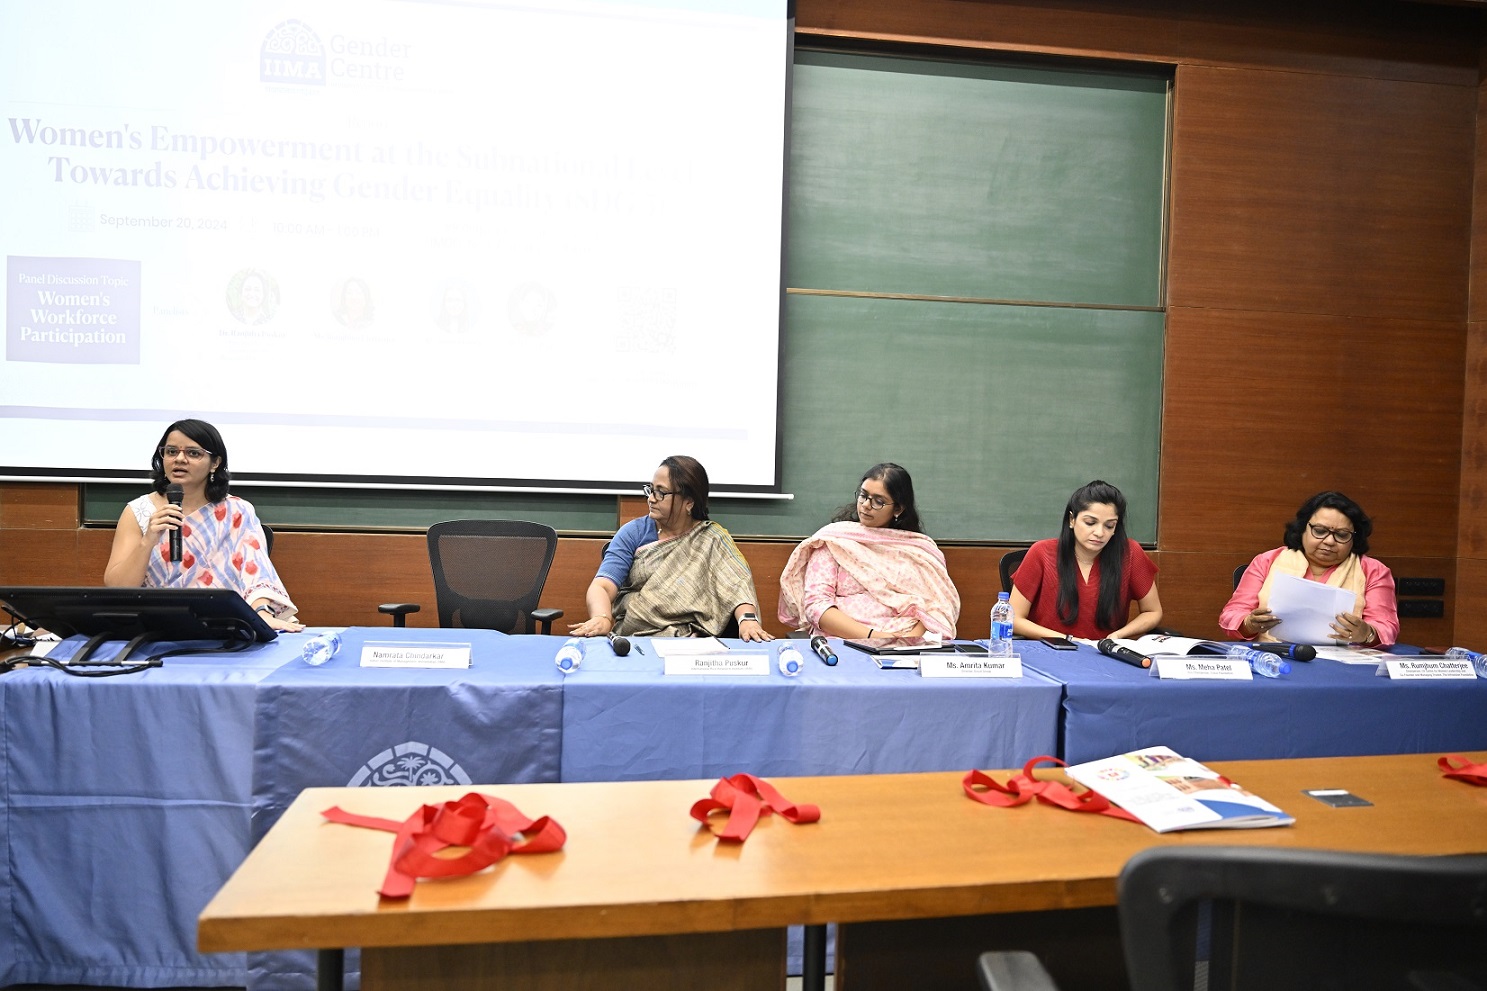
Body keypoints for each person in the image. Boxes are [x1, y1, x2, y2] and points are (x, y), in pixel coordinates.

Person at [103, 419, 302, 632]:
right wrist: (147, 542)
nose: (180, 459)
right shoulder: (139, 511)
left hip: (225, 625)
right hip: (156, 626)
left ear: (215, 463)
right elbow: (117, 589)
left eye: (193, 453)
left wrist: (261, 613)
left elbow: (255, 572)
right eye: (171, 451)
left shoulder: (236, 512)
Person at [569, 456, 772, 641]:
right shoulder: (633, 533)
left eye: (661, 492)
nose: (651, 498)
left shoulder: (712, 539)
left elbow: (737, 585)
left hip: (692, 643)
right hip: (635, 638)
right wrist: (602, 617)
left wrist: (747, 620)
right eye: (651, 490)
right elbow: (602, 586)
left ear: (689, 502)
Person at [777, 463, 960, 639]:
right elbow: (816, 605)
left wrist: (906, 641)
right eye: (863, 495)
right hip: (843, 642)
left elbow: (936, 606)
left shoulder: (918, 550)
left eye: (878, 501)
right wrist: (875, 638)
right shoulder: (834, 540)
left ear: (898, 508)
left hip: (905, 644)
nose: (865, 505)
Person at [1220, 491, 1398, 647]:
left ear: (1354, 539)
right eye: (1320, 531)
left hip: (1343, 665)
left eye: (1342, 535)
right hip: (1273, 657)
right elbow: (1231, 615)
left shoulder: (1373, 571)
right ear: (1303, 528)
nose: (1329, 541)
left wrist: (1367, 634)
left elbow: (1386, 627)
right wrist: (1249, 624)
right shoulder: (1267, 561)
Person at [1011, 480, 1162, 641]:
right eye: (1090, 523)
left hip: (1103, 652)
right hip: (1051, 649)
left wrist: (1118, 635)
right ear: (1072, 519)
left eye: (1109, 526)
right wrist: (1068, 640)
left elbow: (1152, 611)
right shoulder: (1042, 553)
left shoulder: (1129, 554)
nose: (1099, 533)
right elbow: (1012, 618)